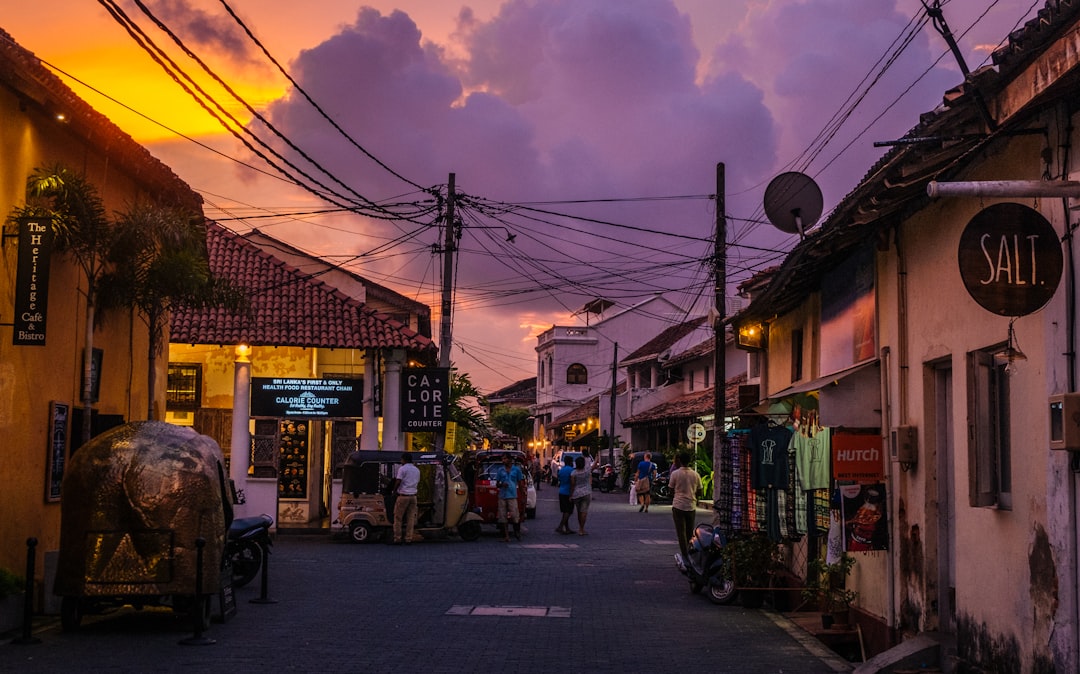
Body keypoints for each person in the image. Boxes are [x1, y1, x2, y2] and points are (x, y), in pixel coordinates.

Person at [668, 451, 702, 560]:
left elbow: (670, 489)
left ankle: (685, 554)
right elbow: (700, 491)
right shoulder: (695, 474)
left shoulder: (675, 474)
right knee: (689, 531)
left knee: (680, 532)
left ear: (680, 461)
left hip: (678, 505)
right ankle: (690, 550)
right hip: (691, 505)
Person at [391, 452, 420, 545]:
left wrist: (394, 491)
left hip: (403, 496)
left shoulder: (402, 469)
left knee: (398, 517)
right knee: (410, 518)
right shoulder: (416, 470)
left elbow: (398, 481)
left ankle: (397, 538)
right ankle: (408, 538)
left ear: (404, 459)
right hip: (413, 496)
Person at [496, 453, 524, 541]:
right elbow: (497, 483)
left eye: (505, 459)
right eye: (502, 459)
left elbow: (520, 483)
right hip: (502, 495)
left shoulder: (516, 470)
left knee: (515, 515)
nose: (503, 461)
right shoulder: (500, 470)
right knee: (502, 516)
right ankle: (506, 536)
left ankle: (517, 532)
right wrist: (501, 484)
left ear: (509, 460)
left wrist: (522, 494)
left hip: (512, 495)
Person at [569, 455, 592, 536]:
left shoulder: (573, 473)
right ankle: (581, 529)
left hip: (576, 493)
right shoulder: (586, 471)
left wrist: (571, 495)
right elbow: (594, 466)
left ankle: (580, 527)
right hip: (586, 492)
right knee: (584, 511)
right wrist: (596, 459)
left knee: (579, 511)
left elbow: (572, 485)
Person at [555, 454, 576, 534]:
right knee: (568, 511)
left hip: (561, 491)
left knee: (564, 510)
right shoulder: (572, 470)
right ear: (571, 462)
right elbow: (572, 483)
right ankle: (560, 526)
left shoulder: (561, 470)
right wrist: (571, 494)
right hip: (568, 492)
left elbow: (559, 479)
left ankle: (567, 528)